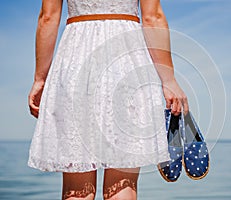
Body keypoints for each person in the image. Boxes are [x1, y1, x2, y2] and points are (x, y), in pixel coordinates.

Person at [28, 0, 189, 199]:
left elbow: (48, 18)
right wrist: (169, 79)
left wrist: (40, 78)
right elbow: (152, 16)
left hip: (76, 58)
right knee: (123, 185)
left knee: (76, 188)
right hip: (126, 57)